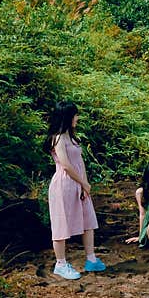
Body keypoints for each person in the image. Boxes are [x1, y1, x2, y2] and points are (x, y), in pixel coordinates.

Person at [43, 101, 106, 280]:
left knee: (88, 219)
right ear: (66, 116)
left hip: (78, 183)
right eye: (75, 115)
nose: (77, 118)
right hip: (63, 184)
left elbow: (80, 163)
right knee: (61, 223)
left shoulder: (73, 138)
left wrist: (85, 183)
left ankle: (91, 258)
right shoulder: (57, 138)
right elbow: (66, 166)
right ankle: (60, 264)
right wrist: (82, 183)